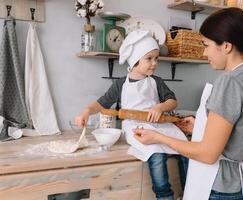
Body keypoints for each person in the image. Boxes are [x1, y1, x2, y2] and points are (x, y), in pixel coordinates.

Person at [133, 8, 243, 200]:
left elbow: (208, 154)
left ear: (226, 46)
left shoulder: (229, 82)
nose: (204, 52)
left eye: (206, 45)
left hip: (218, 190)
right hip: (236, 187)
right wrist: (201, 125)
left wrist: (158, 138)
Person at [75, 30, 188, 200]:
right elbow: (102, 102)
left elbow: (173, 101)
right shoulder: (120, 84)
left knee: (185, 147)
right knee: (156, 153)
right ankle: (164, 195)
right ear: (135, 60)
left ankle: (190, 191)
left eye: (156, 58)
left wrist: (160, 107)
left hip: (161, 124)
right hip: (137, 127)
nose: (154, 63)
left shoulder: (156, 81)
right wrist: (86, 111)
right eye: (149, 58)